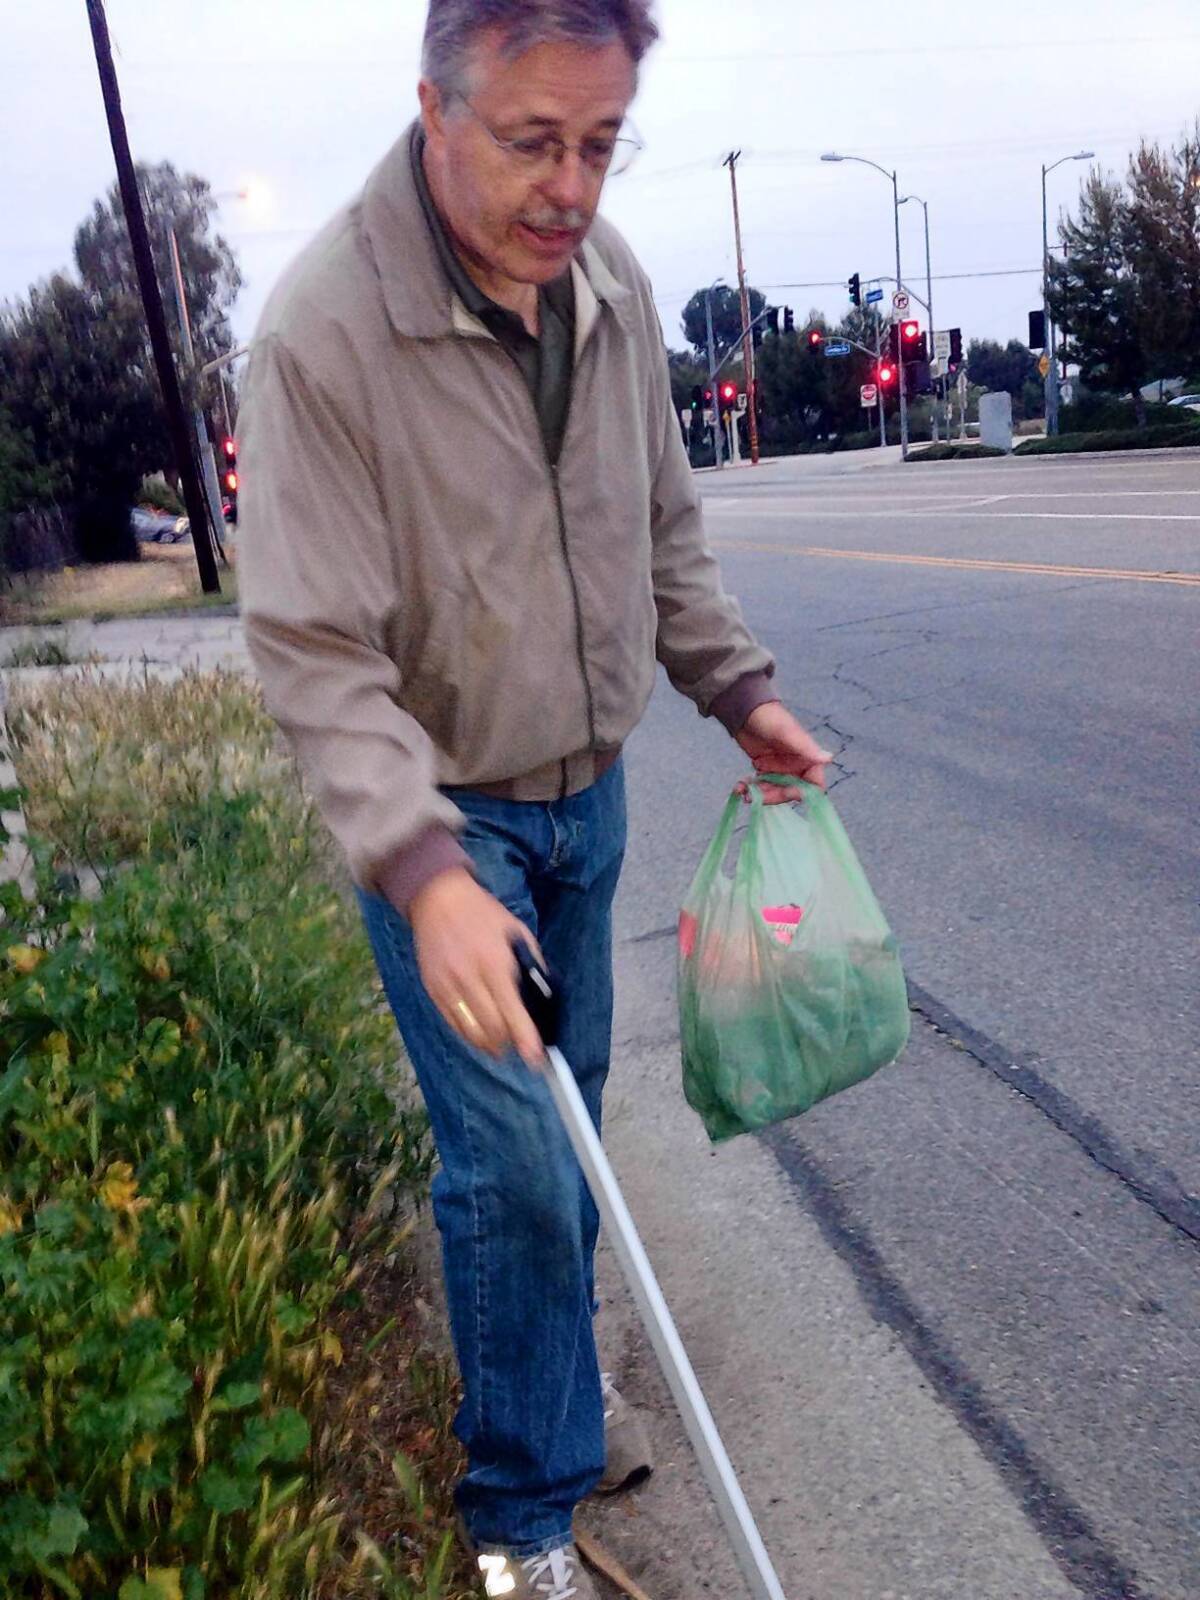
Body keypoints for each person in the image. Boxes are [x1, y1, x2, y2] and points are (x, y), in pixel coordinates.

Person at [238, 2, 831, 1594]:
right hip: (447, 816)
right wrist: (426, 874)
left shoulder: (614, 283)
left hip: (590, 794)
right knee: (506, 1158)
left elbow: (661, 529)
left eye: (599, 143)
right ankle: (519, 1526)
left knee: (563, 1146)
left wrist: (742, 691)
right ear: (434, 107)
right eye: (531, 142)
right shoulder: (323, 338)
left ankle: (554, 1396)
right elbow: (309, 645)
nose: (571, 188)